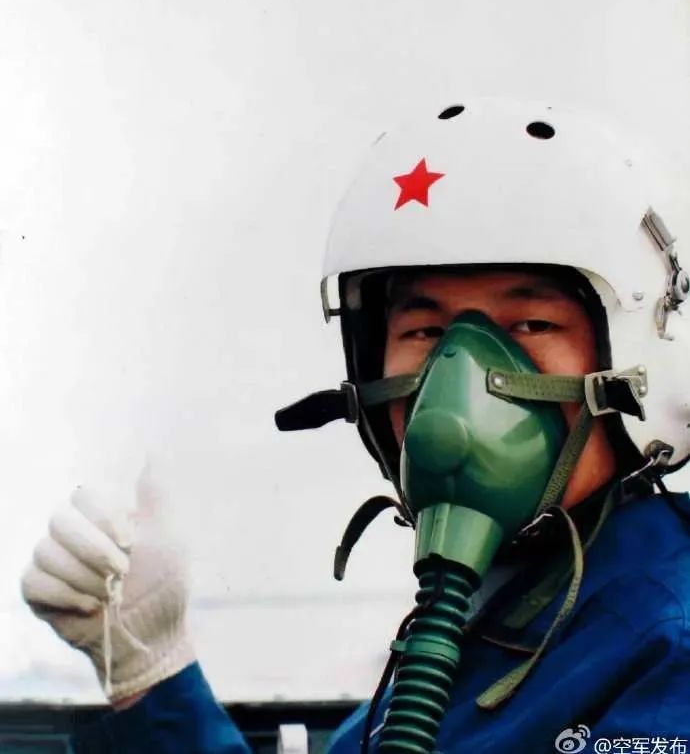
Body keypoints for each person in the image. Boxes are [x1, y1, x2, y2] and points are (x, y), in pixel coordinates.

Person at [20, 99, 690, 753]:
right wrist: (151, 672)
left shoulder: (667, 645)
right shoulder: (497, 624)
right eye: (424, 330)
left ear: (637, 361)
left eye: (531, 324)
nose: (457, 385)